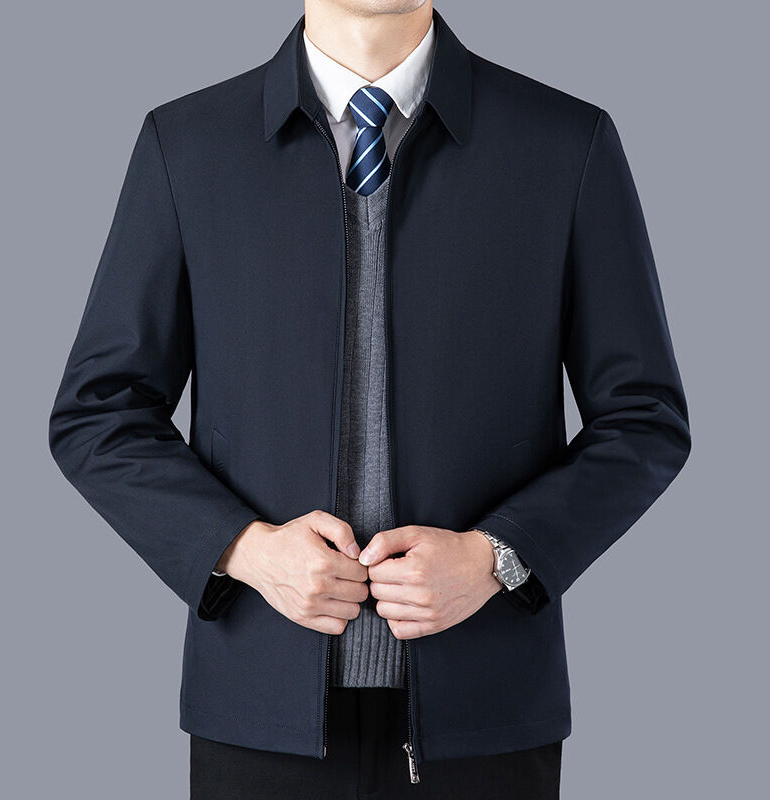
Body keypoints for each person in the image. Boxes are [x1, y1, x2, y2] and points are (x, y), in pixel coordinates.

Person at [48, 2, 691, 798]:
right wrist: (245, 550)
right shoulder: (187, 146)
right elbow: (99, 413)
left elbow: (645, 418)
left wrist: (498, 557)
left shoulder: (564, 144)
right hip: (258, 712)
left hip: (486, 711)